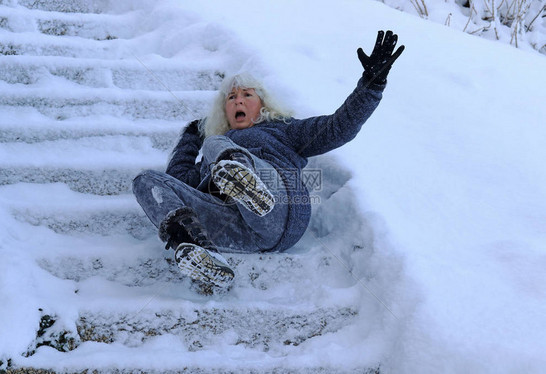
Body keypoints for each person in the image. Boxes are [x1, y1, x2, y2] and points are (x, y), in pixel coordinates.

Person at [133, 30, 405, 288]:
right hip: (235, 229)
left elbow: (338, 127)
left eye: (246, 95)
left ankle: (246, 183)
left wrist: (372, 84)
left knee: (218, 143)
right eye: (231, 97)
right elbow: (175, 183)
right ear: (224, 110)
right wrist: (192, 136)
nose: (238, 101)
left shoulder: (284, 129)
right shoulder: (209, 157)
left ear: (262, 104)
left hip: (280, 209)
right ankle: (197, 248)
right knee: (145, 180)